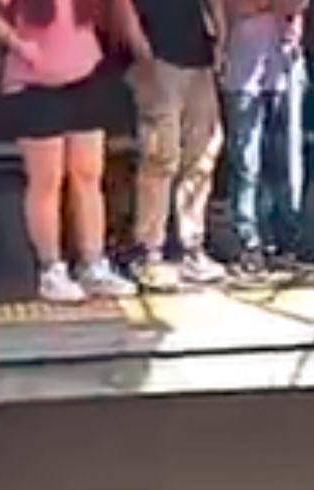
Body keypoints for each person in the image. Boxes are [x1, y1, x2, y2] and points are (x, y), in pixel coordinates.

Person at [0, 0, 150, 302]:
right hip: (35, 82)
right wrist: (18, 45)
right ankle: (51, 268)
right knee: (47, 178)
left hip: (85, 76)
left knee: (88, 173)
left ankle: (93, 263)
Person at [128, 0, 228, 289]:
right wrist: (141, 52)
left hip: (199, 59)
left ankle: (192, 244)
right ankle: (149, 251)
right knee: (161, 154)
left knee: (203, 155)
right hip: (159, 58)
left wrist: (220, 40)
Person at [223, 0, 310, 274]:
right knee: (246, 161)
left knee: (287, 158)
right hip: (241, 63)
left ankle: (288, 239)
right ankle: (248, 241)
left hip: (285, 64)